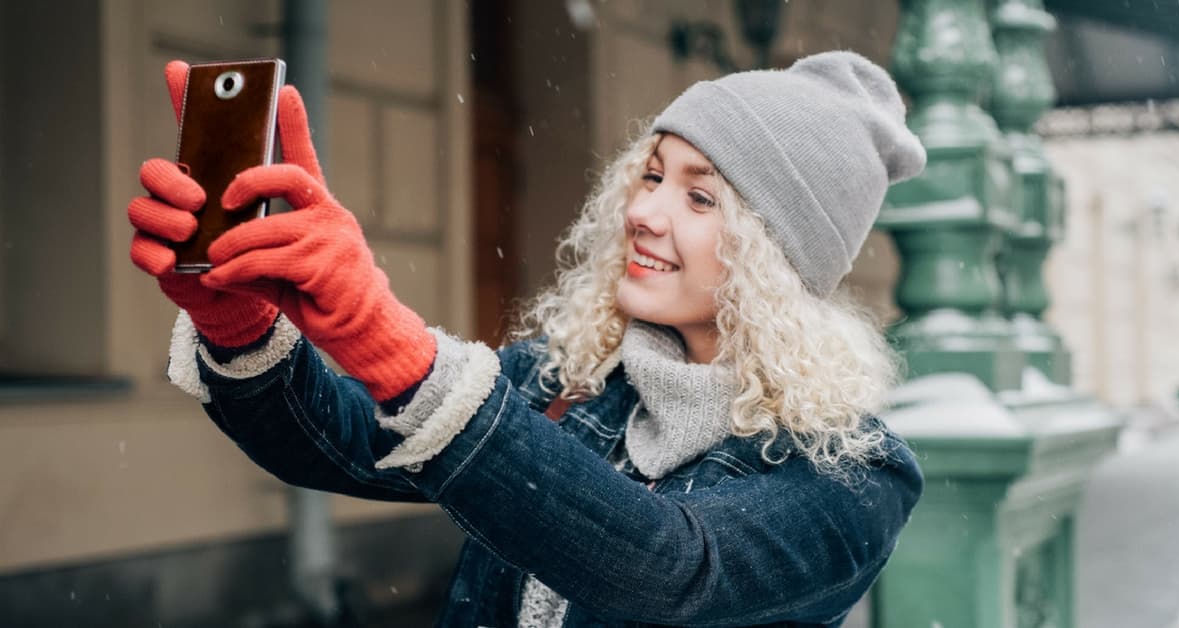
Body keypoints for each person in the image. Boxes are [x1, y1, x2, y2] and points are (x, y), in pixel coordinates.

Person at [129, 51, 926, 627]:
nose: (645, 212)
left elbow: (669, 568)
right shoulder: (568, 379)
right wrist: (237, 324)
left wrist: (390, 340)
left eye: (701, 196)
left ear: (775, 255)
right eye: (652, 175)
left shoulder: (852, 473)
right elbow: (335, 443)